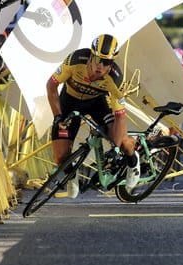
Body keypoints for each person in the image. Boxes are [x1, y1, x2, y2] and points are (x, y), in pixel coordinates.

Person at [47, 34, 138, 199]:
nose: (100, 66)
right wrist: (57, 116)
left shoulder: (115, 78)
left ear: (111, 64)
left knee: (123, 142)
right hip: (69, 101)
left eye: (107, 63)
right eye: (97, 59)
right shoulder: (75, 60)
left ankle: (133, 162)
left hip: (97, 104)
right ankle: (72, 175)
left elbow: (120, 116)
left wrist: (116, 148)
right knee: (61, 157)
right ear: (91, 55)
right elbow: (52, 85)